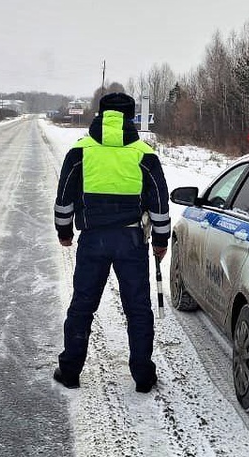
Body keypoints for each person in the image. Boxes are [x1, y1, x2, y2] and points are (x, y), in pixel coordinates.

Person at [52, 92, 171, 392]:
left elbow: (64, 199)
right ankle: (143, 376)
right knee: (138, 309)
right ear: (130, 117)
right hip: (131, 240)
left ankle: (70, 371)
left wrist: (65, 232)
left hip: (92, 240)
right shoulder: (144, 154)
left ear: (100, 115)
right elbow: (159, 202)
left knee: (82, 306)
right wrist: (160, 240)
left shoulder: (80, 151)